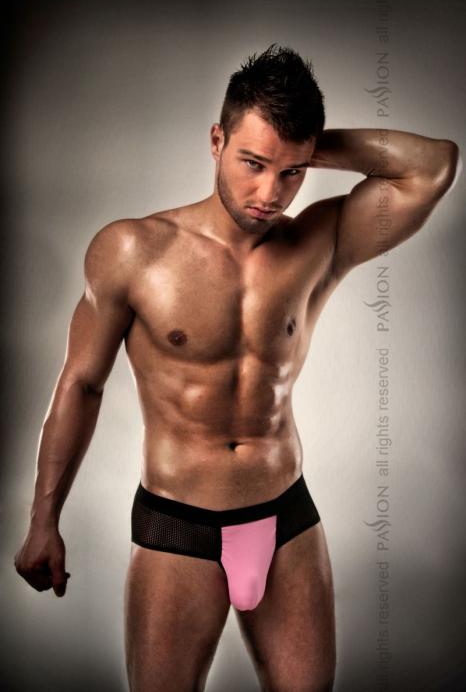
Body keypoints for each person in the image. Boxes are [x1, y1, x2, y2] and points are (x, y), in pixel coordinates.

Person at [14, 43, 459, 692]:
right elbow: (82, 384)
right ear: (216, 140)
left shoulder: (317, 242)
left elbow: (434, 165)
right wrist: (43, 521)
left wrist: (306, 148)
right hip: (179, 528)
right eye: (253, 163)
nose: (270, 193)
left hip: (287, 520)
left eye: (292, 173)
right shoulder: (133, 250)